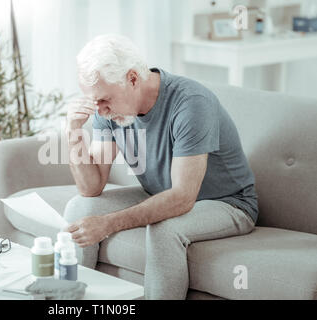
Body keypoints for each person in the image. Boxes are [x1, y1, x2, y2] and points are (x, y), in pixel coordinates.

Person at [63, 34, 258, 300]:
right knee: (79, 208)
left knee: (164, 229)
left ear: (132, 78)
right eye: (94, 101)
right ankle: (70, 301)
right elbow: (91, 187)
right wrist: (73, 131)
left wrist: (107, 224)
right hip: (158, 193)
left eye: (104, 100)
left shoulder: (191, 103)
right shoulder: (106, 110)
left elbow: (181, 197)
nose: (100, 110)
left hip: (229, 203)